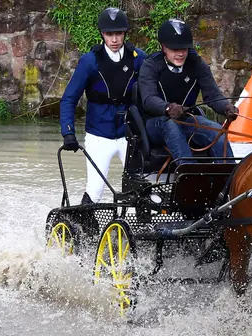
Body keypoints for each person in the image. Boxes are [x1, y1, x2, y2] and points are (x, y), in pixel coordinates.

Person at [60, 7, 147, 204]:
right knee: (95, 189)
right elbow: (69, 99)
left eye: (119, 34)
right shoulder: (90, 61)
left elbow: (152, 93)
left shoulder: (138, 58)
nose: (114, 39)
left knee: (140, 187)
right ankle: (84, 228)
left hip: (129, 133)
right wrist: (68, 132)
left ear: (125, 33)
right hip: (99, 133)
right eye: (110, 34)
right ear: (102, 34)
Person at [138, 19, 238, 165]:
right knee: (170, 125)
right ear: (164, 47)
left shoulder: (196, 63)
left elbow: (213, 95)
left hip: (186, 119)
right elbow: (148, 99)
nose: (180, 54)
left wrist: (226, 107)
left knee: (217, 131)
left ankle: (228, 180)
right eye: (175, 49)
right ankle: (190, 175)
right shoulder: (150, 65)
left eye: (184, 49)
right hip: (156, 123)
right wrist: (168, 108)